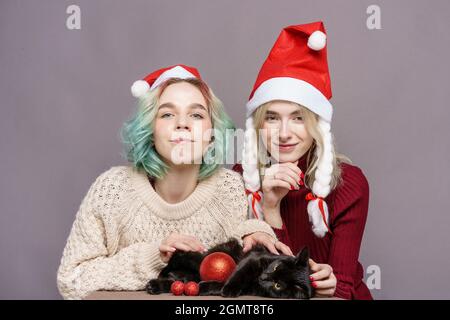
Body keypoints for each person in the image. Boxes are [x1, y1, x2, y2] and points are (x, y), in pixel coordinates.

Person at [57, 64, 290, 300]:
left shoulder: (231, 189)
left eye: (196, 115)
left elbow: (244, 243)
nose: (182, 123)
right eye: (167, 114)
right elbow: (71, 280)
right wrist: (153, 257)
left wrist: (257, 234)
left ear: (212, 134)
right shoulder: (112, 189)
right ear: (149, 129)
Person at [233, 22, 372, 299]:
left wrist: (330, 282)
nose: (284, 133)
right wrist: (270, 206)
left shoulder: (349, 184)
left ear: (317, 124)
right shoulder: (239, 178)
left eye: (298, 117)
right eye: (272, 117)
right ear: (259, 124)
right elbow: (257, 284)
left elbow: (342, 289)